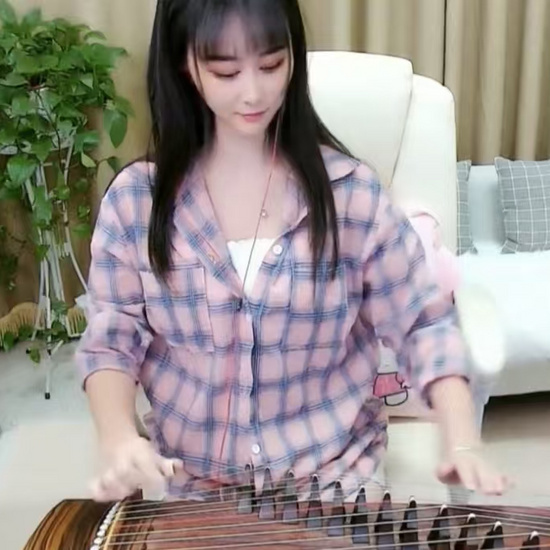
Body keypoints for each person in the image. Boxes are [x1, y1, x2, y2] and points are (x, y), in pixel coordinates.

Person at [75, 0, 509, 504]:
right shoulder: (137, 204)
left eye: (271, 64)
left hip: (336, 481)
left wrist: (461, 435)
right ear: (183, 63)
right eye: (226, 72)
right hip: (199, 490)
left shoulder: (350, 194)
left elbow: (423, 322)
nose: (253, 92)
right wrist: (117, 436)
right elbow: (112, 337)